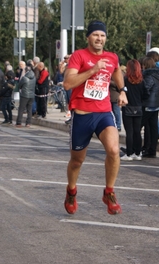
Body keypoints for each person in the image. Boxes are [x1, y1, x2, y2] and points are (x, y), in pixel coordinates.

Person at [62, 20, 128, 215]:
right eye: (96, 35)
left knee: (114, 150)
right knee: (76, 161)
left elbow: (116, 71)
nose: (99, 39)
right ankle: (71, 191)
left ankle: (109, 192)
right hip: (82, 115)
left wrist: (122, 90)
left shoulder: (112, 57)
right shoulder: (79, 56)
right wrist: (92, 70)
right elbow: (67, 84)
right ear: (88, 37)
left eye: (103, 35)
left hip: (104, 112)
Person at [121, 59, 148, 161]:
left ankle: (129, 153)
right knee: (137, 131)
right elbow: (146, 94)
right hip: (138, 108)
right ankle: (137, 152)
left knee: (129, 132)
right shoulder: (141, 81)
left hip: (127, 107)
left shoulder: (126, 80)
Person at [141, 57, 159, 158]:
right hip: (157, 104)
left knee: (138, 125)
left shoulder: (149, 76)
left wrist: (141, 96)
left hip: (149, 104)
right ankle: (152, 150)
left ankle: (134, 149)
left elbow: (146, 88)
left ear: (145, 66)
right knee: (153, 127)